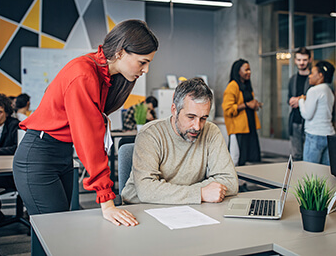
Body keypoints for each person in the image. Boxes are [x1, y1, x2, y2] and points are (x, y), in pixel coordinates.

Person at [13, 19, 159, 227]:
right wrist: (107, 202)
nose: (145, 70)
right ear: (120, 53)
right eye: (142, 62)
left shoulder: (104, 75)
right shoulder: (83, 74)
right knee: (56, 233)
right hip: (38, 158)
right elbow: (88, 140)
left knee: (58, 233)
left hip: (61, 155)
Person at [121, 77, 238, 204]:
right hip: (141, 209)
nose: (197, 126)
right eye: (191, 117)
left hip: (187, 209)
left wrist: (176, 194)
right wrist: (201, 193)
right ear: (174, 110)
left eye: (203, 118)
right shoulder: (150, 134)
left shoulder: (211, 132)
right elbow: (146, 190)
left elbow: (230, 181)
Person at [222, 59, 262, 167]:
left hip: (249, 127)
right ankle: (232, 182)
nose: (249, 72)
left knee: (245, 158)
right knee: (235, 158)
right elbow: (228, 109)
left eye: (250, 70)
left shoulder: (247, 86)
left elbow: (246, 103)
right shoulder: (233, 86)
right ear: (238, 71)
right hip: (238, 129)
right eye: (246, 70)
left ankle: (242, 182)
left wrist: (254, 105)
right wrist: (247, 105)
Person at [298, 60, 335, 165]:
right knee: (325, 174)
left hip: (314, 135)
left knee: (309, 173)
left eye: (312, 73)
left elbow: (307, 115)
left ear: (320, 75)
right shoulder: (329, 91)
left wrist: (301, 100)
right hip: (329, 135)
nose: (309, 76)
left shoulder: (314, 90)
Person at [288, 47, 311, 161]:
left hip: (309, 122)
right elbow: (289, 97)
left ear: (309, 60)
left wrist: (300, 100)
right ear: (295, 60)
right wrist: (292, 101)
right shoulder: (293, 79)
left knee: (309, 156)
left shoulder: (313, 78)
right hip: (295, 120)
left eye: (304, 60)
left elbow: (315, 97)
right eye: (299, 60)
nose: (301, 63)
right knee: (296, 156)